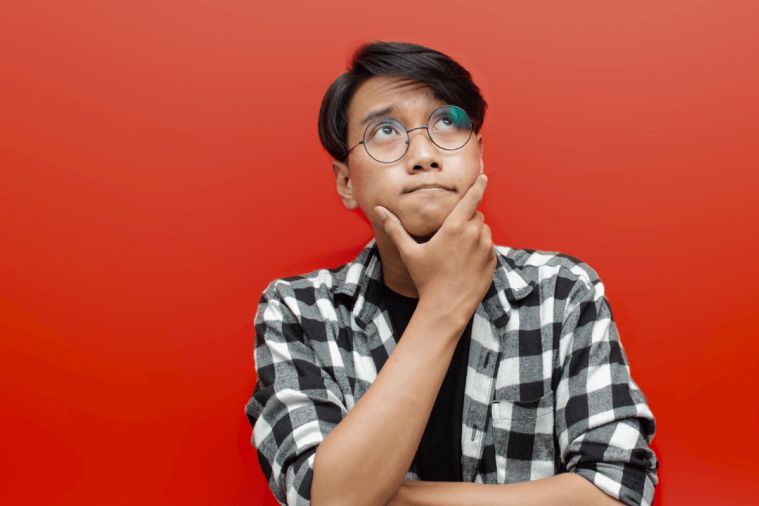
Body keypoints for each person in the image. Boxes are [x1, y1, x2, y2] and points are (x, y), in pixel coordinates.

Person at [245, 40, 659, 506]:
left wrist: (384, 493)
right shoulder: (298, 311)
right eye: (385, 130)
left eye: (447, 123)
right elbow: (326, 499)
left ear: (479, 155)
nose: (423, 154)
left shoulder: (561, 291)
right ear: (346, 182)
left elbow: (618, 490)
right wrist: (443, 306)